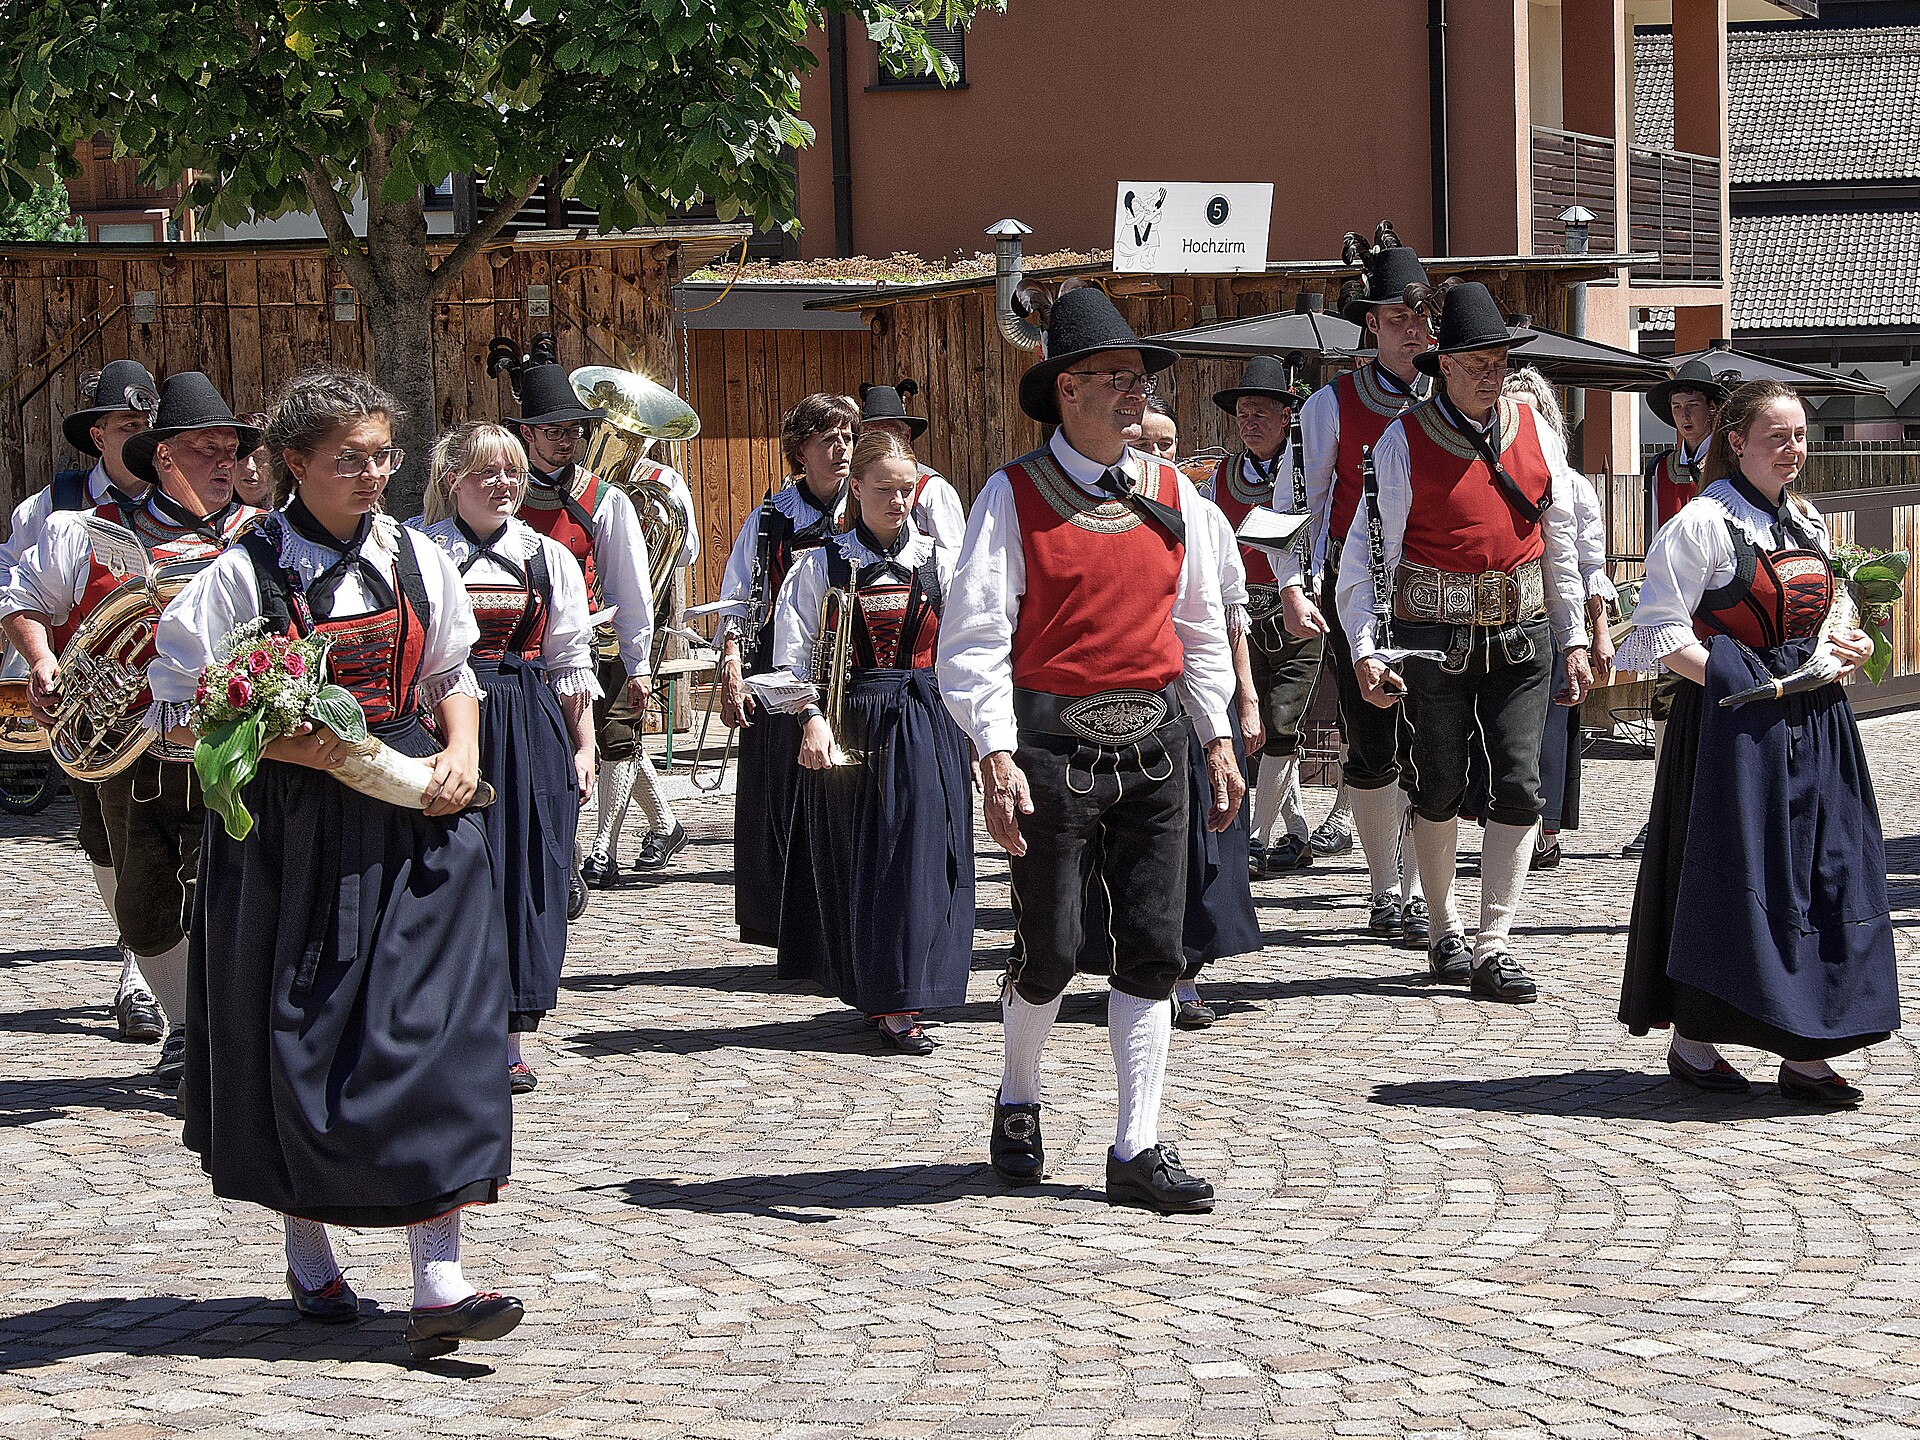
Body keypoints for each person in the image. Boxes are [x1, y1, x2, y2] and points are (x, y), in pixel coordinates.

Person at [148, 369, 521, 1359]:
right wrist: (297, 749)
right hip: (293, 835)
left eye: (383, 455)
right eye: (349, 458)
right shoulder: (241, 575)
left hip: (416, 821)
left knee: (438, 1037)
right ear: (292, 467)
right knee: (298, 1041)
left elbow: (453, 673)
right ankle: (308, 1244)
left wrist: (461, 757)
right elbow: (184, 710)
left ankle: (439, 1277)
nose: (372, 474)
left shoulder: (418, 558)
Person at [938, 287, 1242, 1214]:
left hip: (1155, 749)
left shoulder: (1174, 494)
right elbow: (976, 638)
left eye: (1136, 377)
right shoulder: (1012, 495)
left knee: (1154, 950)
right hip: (1052, 753)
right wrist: (994, 753)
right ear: (1067, 390)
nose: (1132, 392)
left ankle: (1135, 1144)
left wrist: (1218, 735)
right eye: (1114, 377)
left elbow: (1197, 626)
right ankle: (1020, 1092)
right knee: (1051, 951)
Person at [1616, 381, 1895, 1106]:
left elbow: (1829, 611)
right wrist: (1744, 686)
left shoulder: (1805, 521)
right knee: (1736, 876)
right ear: (1736, 442)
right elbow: (1659, 632)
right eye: (1778, 436)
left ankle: (1809, 1046)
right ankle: (1698, 1039)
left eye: (1801, 435)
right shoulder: (1702, 524)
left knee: (1826, 869)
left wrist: (1850, 644)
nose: (1793, 449)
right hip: (1733, 733)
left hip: (1817, 725)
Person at [0, 372, 265, 1081]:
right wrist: (42, 659)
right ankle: (183, 1029)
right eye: (204, 449)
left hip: (239, 747)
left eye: (230, 449)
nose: (224, 462)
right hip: (131, 745)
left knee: (242, 892)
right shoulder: (88, 533)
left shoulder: (262, 537)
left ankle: (232, 1031)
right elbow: (22, 597)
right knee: (146, 899)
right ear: (163, 458)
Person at [1336, 281, 1593, 1005]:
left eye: (1499, 358)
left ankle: (1494, 943)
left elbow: (1560, 538)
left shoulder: (1535, 429)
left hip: (1521, 634)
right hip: (1431, 638)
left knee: (1519, 782)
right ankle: (1445, 928)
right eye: (1475, 358)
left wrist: (1573, 635)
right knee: (1439, 782)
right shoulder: (1401, 439)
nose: (1491, 370)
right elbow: (1367, 554)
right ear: (1441, 363)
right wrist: (1366, 647)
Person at [767, 429, 973, 1055]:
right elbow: (791, 656)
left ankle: (909, 991)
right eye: (883, 490)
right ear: (854, 489)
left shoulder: (943, 561)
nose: (898, 501)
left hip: (927, 716)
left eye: (906, 490)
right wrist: (810, 720)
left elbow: (972, 648)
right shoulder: (820, 564)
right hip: (850, 718)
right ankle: (877, 989)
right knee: (863, 859)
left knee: (923, 855)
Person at [417, 421, 598, 1096]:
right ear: (453, 480)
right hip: (445, 721)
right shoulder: (423, 553)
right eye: (487, 473)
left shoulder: (544, 558)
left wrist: (583, 748)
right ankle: (445, 1027)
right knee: (452, 874)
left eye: (513, 473)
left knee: (526, 874)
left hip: (527, 724)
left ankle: (510, 1040)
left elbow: (569, 659)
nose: (503, 485)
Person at [1, 360, 158, 1043]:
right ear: (98, 436)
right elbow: (18, 592)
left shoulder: (179, 497)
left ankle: (157, 969)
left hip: (180, 700)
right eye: (129, 426)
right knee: (104, 839)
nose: (144, 438)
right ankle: (136, 953)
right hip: (94, 705)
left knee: (169, 838)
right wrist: (38, 662)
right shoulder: (54, 508)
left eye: (150, 424)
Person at [1295, 234, 1435, 944]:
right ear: (1372, 325)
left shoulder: (1451, 398)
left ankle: (1417, 891)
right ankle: (1384, 889)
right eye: (1396, 319)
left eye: (1420, 318)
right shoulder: (1331, 405)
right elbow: (1307, 507)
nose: (1412, 330)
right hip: (1360, 597)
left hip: (1441, 595)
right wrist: (1302, 585)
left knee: (1434, 746)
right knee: (1373, 741)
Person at [499, 341, 655, 905]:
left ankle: (582, 855)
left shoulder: (606, 499)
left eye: (573, 429)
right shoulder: (499, 497)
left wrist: (639, 665)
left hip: (587, 649)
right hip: (513, 654)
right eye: (554, 429)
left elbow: (629, 589)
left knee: (595, 753)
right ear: (527, 434)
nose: (567, 439)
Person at [715, 393, 856, 946]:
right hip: (782, 671)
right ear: (801, 451)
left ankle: (844, 921)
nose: (842, 447)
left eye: (847, 436)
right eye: (829, 438)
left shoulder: (867, 505)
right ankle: (786, 923)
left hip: (853, 671)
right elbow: (739, 598)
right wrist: (730, 660)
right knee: (781, 795)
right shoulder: (770, 518)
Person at [1204, 356, 1321, 876]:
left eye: (1261, 412)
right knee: (1251, 726)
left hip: (1299, 608)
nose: (1250, 421)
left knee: (1279, 722)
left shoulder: (1310, 471)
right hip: (1240, 612)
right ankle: (1295, 832)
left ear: (1286, 416)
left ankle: (1255, 837)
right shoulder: (1217, 479)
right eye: (1243, 413)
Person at [1502, 368, 1616, 869]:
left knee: (1549, 730)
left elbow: (1589, 564)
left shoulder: (1571, 484)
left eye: (1532, 407)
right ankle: (1504, 825)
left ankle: (1543, 833)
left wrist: (1598, 634)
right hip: (1502, 618)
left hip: (1553, 620)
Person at [1622, 358, 1729, 858]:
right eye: (1677, 407)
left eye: (1693, 406)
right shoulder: (1659, 468)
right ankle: (1664, 808)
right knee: (1666, 705)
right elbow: (1655, 531)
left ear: (1713, 409)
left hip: (1726, 603)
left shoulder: (1729, 463)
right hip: (1678, 606)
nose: (1684, 415)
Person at [581, 431, 698, 883]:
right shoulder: (567, 488)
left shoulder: (662, 480)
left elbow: (685, 549)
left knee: (616, 727)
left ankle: (602, 849)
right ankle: (665, 826)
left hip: (631, 612)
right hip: (584, 617)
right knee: (616, 731)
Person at [858, 381, 966, 552]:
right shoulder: (853, 482)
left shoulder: (933, 489)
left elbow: (954, 555)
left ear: (906, 435)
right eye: (871, 434)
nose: (880, 442)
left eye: (887, 432)